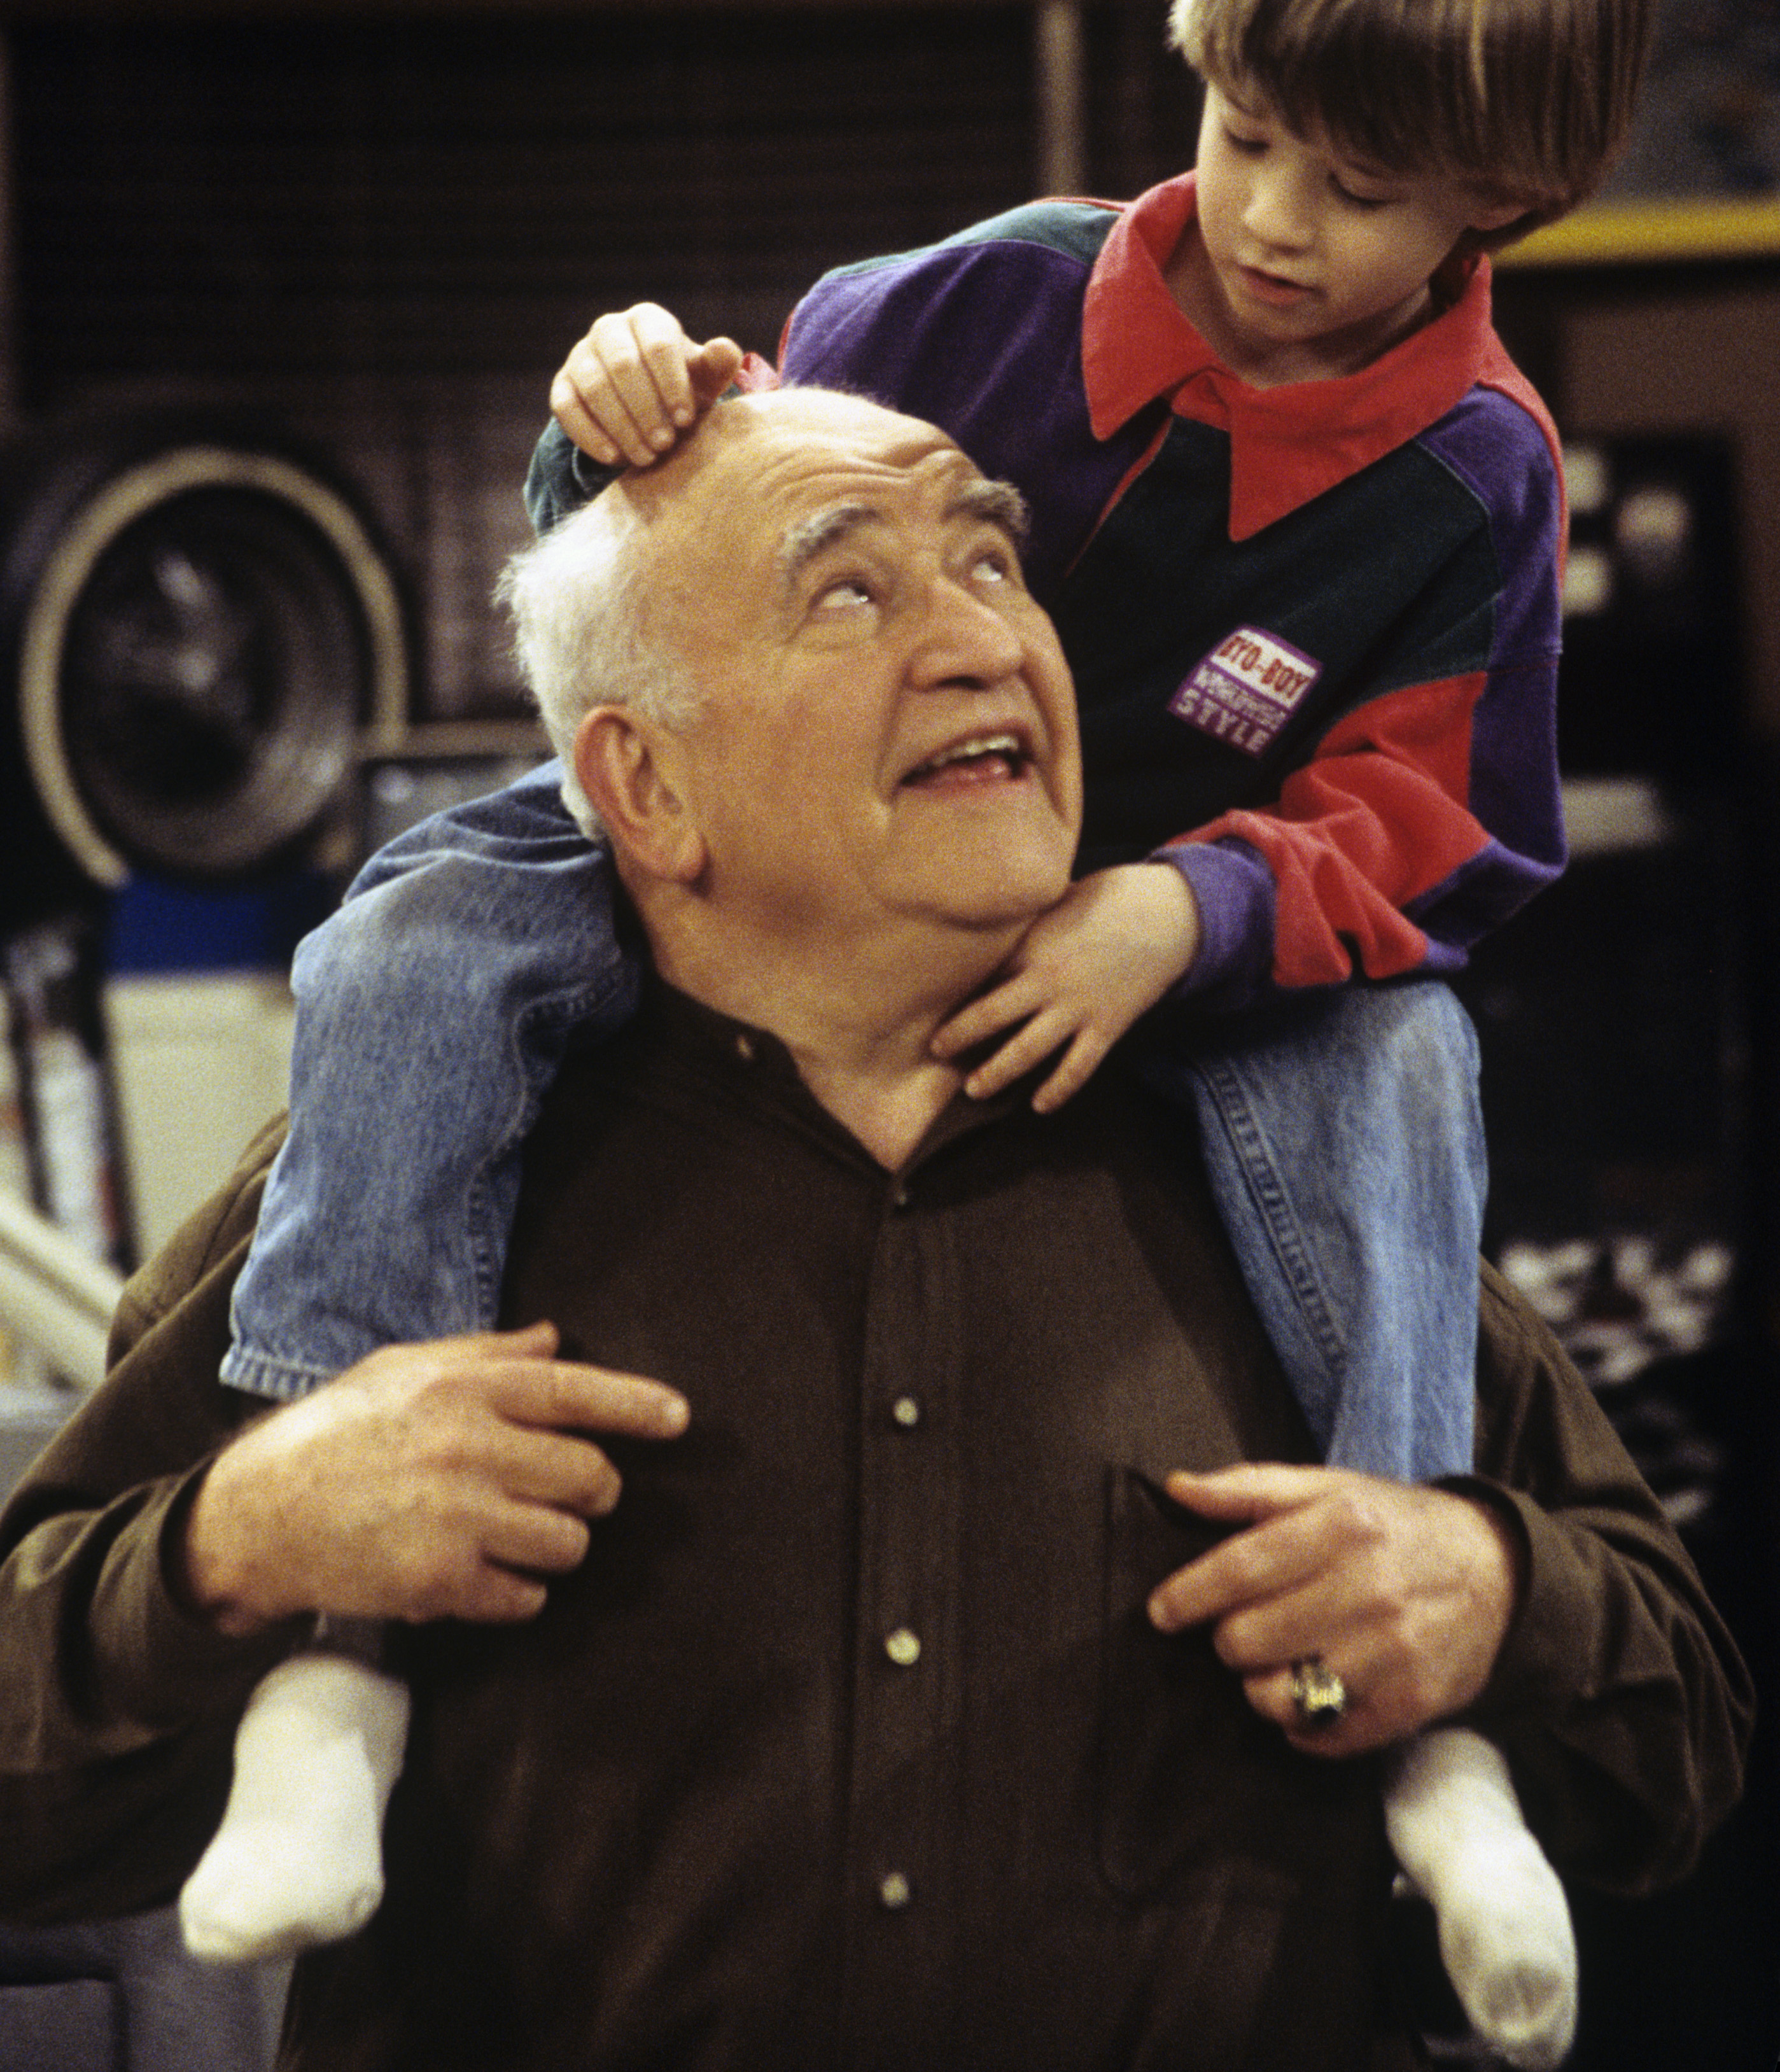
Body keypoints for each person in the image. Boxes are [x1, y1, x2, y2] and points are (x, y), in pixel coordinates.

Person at [191, 0, 1657, 2060]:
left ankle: (1413, 1728)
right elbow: (712, 532)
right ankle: (336, 1669)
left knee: (1412, 1045)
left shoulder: (1475, 480)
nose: (1269, 218)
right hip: (766, 901)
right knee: (408, 933)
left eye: (1361, 189)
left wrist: (1183, 911)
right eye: (1248, 129)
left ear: (1514, 197)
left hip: (1193, 950)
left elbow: (1444, 819)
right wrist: (628, 418)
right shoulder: (959, 307)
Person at [0, 391, 1753, 2072]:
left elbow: (1685, 1740)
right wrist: (238, 1540)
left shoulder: (1291, 1144)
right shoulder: (405, 1175)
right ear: (644, 788)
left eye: (993, 565)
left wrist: (1496, 1598)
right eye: (849, 589)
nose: (985, 638)